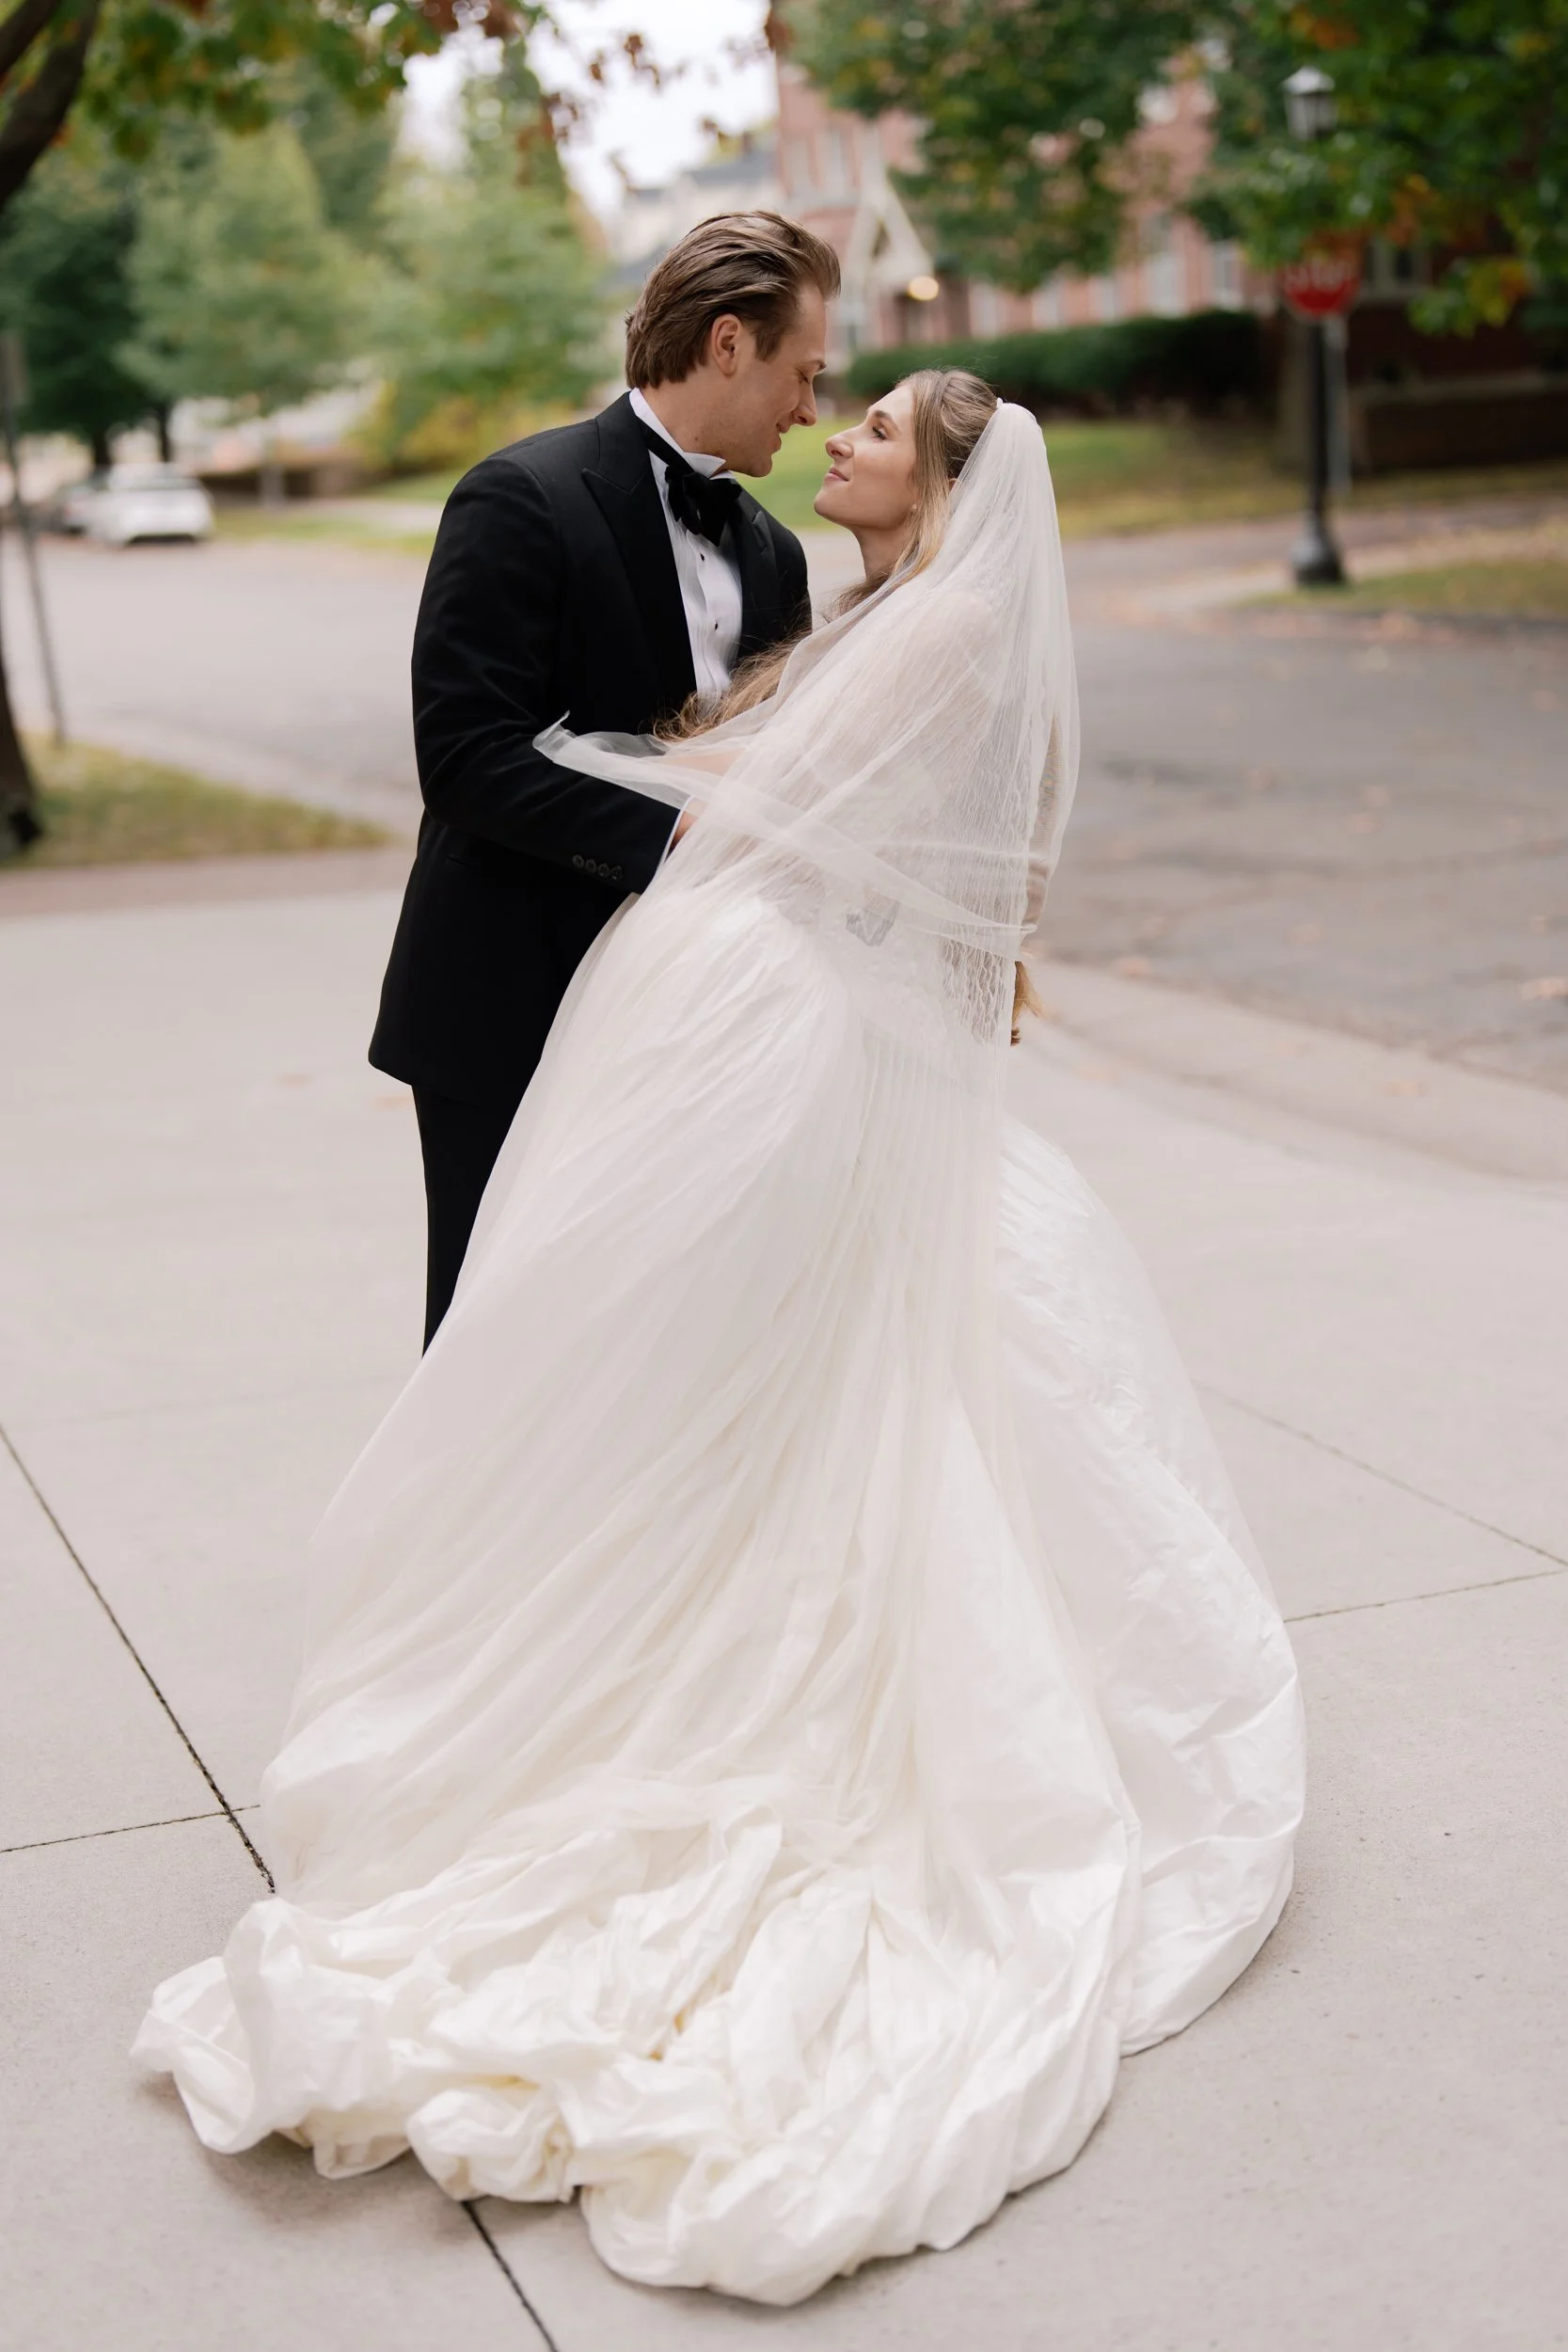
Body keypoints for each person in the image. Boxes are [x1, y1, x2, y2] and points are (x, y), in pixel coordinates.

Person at [137, 373, 1305, 2308]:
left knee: (781, 1390)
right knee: (670, 1375)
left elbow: (797, 823)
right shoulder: (855, 600)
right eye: (829, 401)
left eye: (875, 428)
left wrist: (651, 795)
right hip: (755, 1011)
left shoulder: (927, 631)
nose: (835, 435)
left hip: (783, 1025)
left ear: (945, 485)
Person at [369, 211, 838, 1345]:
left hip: (687, 1013)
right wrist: (678, 834)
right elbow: (467, 757)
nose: (809, 408)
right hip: (511, 1000)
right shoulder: (520, 496)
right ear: (728, 343)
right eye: (803, 371)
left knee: (649, 1343)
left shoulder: (771, 551)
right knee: (494, 1340)